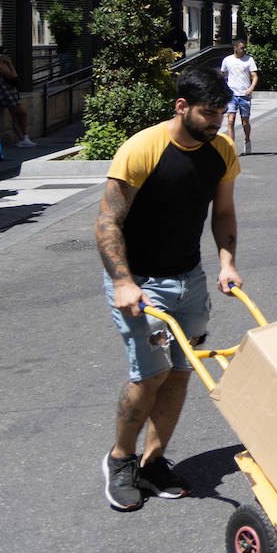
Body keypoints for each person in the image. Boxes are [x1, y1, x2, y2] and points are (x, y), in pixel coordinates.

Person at [95, 68, 242, 511]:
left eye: (221, 114)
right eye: (208, 114)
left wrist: (227, 262)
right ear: (182, 106)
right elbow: (107, 221)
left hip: (189, 278)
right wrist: (123, 282)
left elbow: (224, 212)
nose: (216, 123)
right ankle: (120, 460)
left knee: (182, 370)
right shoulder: (142, 149)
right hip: (140, 283)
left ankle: (153, 461)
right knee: (150, 374)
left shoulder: (222, 151)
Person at [0, 45, 34, 148]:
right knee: (22, 113)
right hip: (5, 93)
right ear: (0, 55)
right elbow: (14, 76)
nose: (7, 56)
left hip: (8, 91)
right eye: (5, 54)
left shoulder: (0, 64)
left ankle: (23, 138)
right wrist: (9, 62)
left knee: (15, 116)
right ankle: (24, 136)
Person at [218, 38, 258, 154]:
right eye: (242, 47)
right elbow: (222, 75)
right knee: (230, 121)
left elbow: (254, 76)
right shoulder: (227, 60)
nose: (244, 49)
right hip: (232, 95)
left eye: (245, 47)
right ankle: (231, 147)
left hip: (244, 95)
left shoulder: (249, 60)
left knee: (245, 121)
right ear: (235, 48)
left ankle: (247, 139)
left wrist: (251, 88)